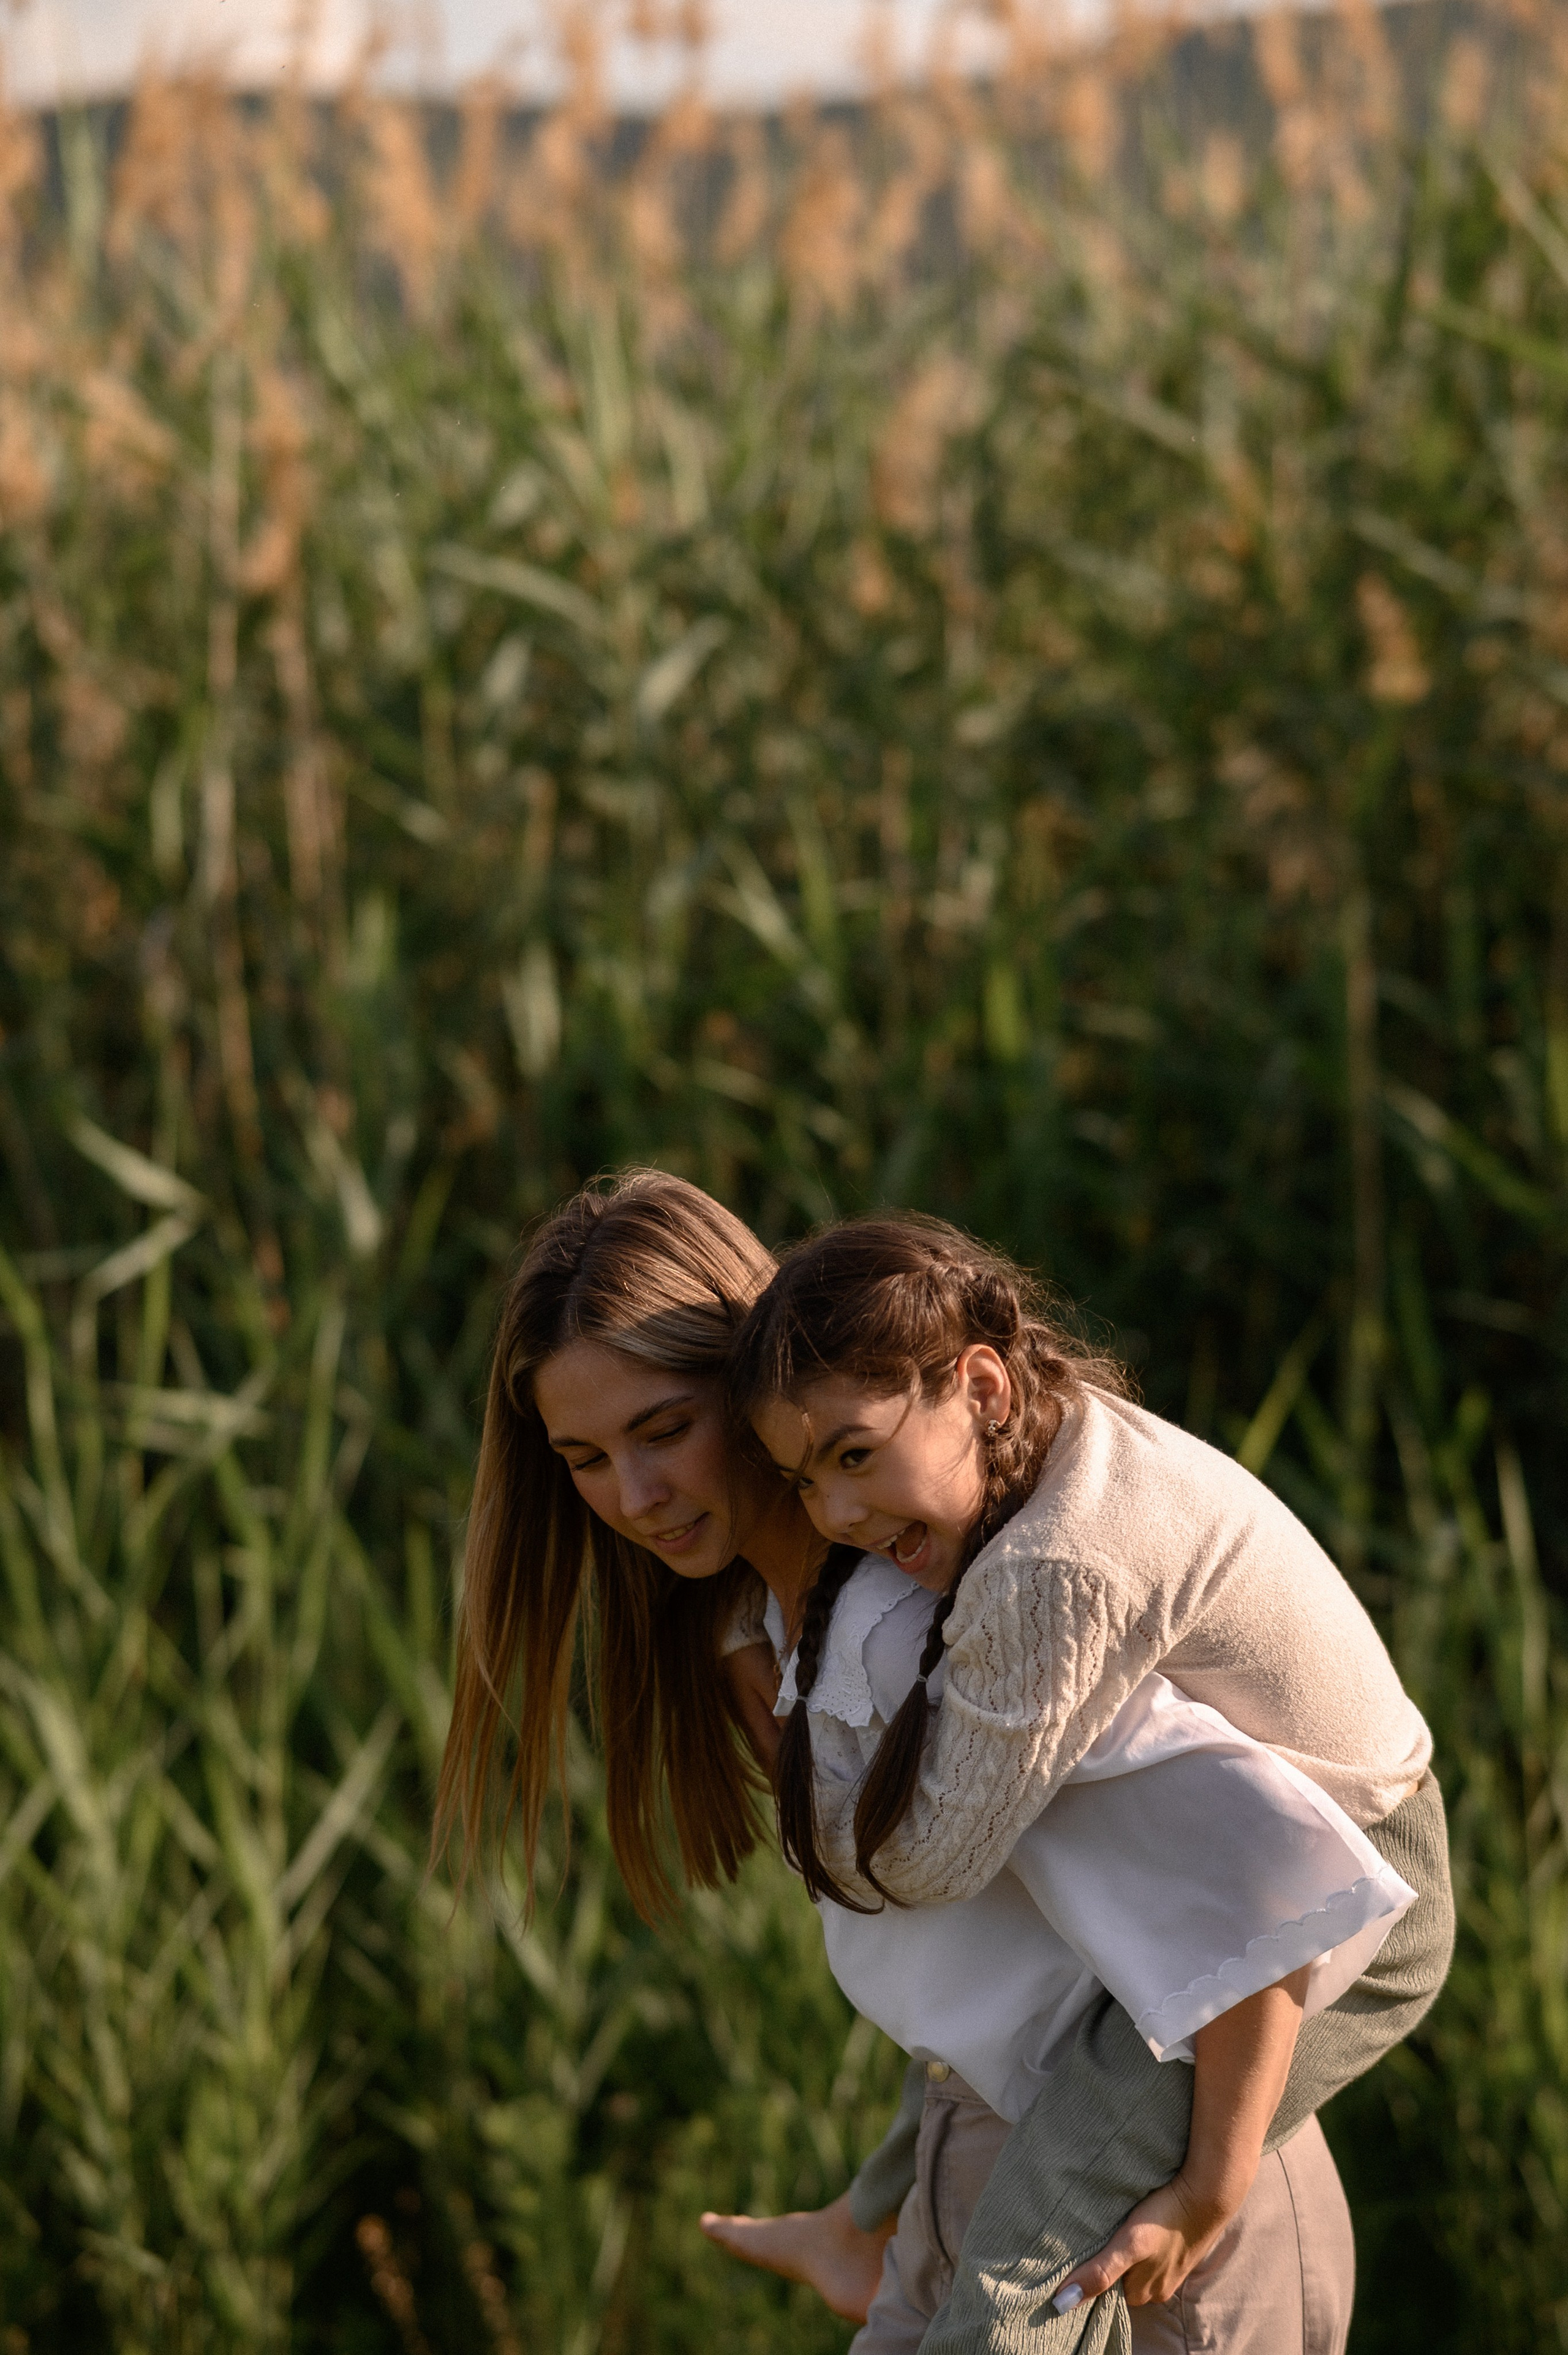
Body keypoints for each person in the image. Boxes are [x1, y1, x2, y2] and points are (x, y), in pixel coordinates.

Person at [724, 1213, 1455, 2351]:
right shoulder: (1049, 1450)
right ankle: (861, 2221)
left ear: (982, 1387)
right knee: (993, 2024)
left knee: (1029, 2246)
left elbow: (925, 1862)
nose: (838, 1518)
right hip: (1299, 1860)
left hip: (1362, 1892)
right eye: (801, 1482)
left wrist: (1208, 2188)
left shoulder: (1053, 1572)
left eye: (855, 1454)